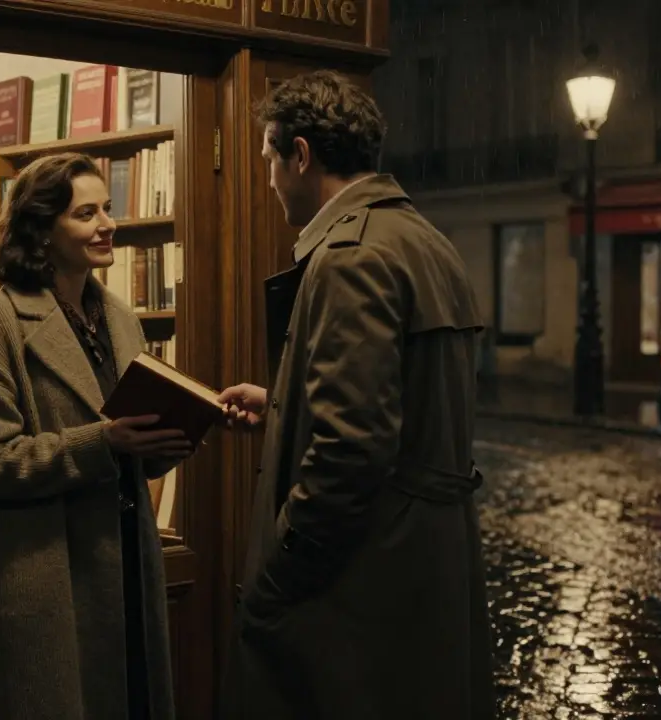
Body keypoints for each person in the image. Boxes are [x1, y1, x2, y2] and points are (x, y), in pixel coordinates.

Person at [217, 70, 494, 719]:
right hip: (423, 577)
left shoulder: (351, 256)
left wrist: (274, 578)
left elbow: (351, 453)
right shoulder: (425, 240)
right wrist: (283, 405)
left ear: (301, 156)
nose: (269, 181)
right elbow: (408, 409)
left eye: (268, 160)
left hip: (361, 599)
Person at [0, 152, 193, 720]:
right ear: (42, 230)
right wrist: (104, 443)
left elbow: (132, 444)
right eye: (86, 213)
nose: (107, 224)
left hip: (128, 568)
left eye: (107, 208)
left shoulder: (121, 317)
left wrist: (170, 437)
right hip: (51, 580)